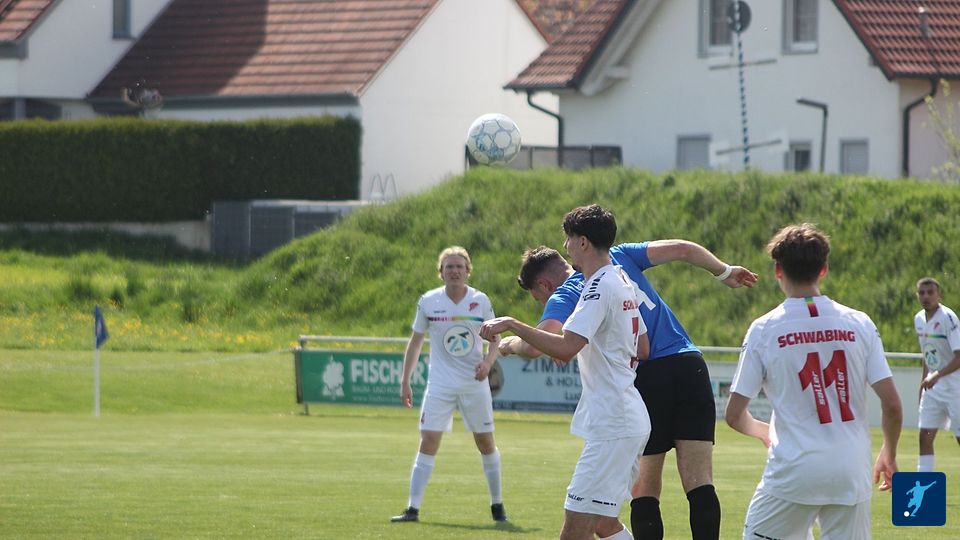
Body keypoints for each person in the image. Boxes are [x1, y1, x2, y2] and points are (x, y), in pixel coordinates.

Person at [501, 240, 757, 539]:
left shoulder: (570, 291)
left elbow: (538, 343)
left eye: (539, 299)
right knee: (700, 482)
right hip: (690, 365)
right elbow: (683, 249)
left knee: (645, 489)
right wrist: (723, 271)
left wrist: (510, 344)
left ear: (544, 285)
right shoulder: (618, 257)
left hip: (647, 377)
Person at [480, 204, 650, 540]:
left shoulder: (598, 287)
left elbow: (565, 347)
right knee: (604, 524)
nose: (566, 247)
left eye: (569, 239)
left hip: (613, 424)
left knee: (574, 531)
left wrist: (513, 323)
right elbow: (642, 347)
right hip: (627, 419)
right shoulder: (620, 278)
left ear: (583, 242)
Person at [725, 223, 902, 540]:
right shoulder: (859, 323)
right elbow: (891, 404)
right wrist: (889, 451)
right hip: (851, 469)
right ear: (824, 269)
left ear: (778, 271)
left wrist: (763, 431)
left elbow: (734, 414)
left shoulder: (765, 329)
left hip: (794, 471)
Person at [391, 246, 506, 524]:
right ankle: (412, 508)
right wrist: (405, 381)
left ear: (468, 271)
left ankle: (497, 505)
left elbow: (496, 339)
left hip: (474, 384)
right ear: (441, 272)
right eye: (449, 267)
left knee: (485, 442)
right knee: (428, 440)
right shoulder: (428, 301)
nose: (454, 271)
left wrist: (487, 363)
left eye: (459, 267)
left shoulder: (480, 300)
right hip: (440, 384)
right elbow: (415, 343)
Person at [913, 277, 960, 472]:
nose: (926, 296)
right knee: (924, 436)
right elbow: (928, 355)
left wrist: (936, 376)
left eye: (930, 292)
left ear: (938, 295)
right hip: (933, 388)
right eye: (922, 293)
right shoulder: (918, 319)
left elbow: (959, 357)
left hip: (955, 387)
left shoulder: (948, 318)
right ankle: (924, 485)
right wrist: (923, 383)